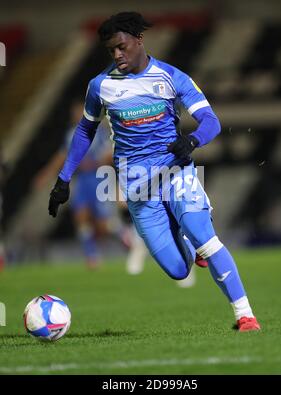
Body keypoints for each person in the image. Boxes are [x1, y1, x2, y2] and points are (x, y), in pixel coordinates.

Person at [48, 12, 260, 331]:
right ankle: (187, 241)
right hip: (137, 189)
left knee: (205, 236)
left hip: (177, 174)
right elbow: (84, 132)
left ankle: (245, 315)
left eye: (121, 47)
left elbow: (211, 122)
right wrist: (63, 179)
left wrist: (191, 140)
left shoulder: (172, 77)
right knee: (179, 270)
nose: (117, 55)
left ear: (139, 40)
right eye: (111, 51)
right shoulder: (100, 86)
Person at [35, 100, 115, 269]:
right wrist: (45, 175)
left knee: (103, 225)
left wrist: (96, 162)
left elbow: (110, 153)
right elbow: (62, 156)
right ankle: (92, 255)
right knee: (80, 216)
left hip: (99, 178)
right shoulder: (72, 134)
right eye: (75, 114)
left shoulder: (99, 132)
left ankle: (124, 237)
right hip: (82, 180)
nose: (77, 117)